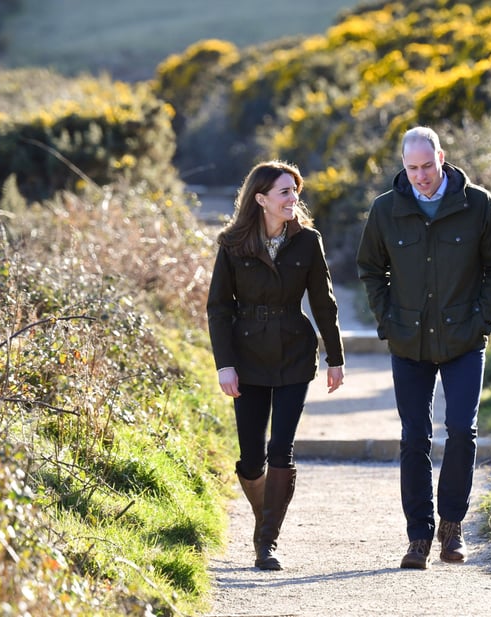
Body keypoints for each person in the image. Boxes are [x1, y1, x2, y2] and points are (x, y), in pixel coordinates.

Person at [356, 126, 491, 569]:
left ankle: (452, 526)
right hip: (409, 341)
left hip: (464, 339)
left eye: (427, 166)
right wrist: (388, 320)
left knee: (462, 432)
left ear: (441, 157)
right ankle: (418, 538)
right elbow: (370, 268)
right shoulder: (385, 210)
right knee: (414, 438)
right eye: (412, 168)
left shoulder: (478, 204)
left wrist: (483, 321)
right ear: (403, 165)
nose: (421, 176)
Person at [207, 160, 345, 571]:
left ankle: (266, 541)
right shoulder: (233, 243)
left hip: (293, 354)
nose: (293, 198)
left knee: (280, 449)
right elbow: (218, 308)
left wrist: (335, 357)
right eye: (284, 192)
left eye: (294, 191)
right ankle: (265, 514)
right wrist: (224, 364)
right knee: (252, 459)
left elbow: (324, 302)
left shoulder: (308, 241)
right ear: (261, 199)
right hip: (246, 358)